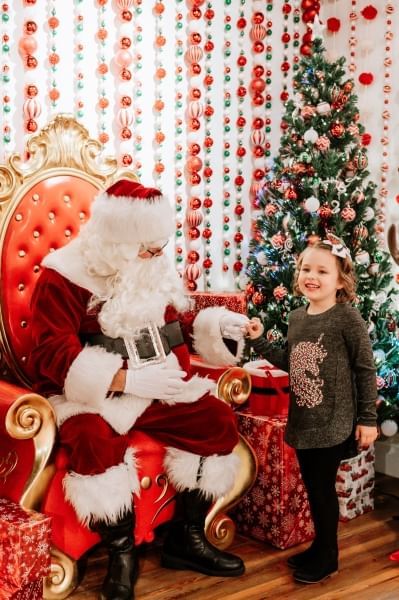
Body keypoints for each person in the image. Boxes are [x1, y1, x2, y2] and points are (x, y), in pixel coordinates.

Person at [27, 179, 250, 600]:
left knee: (216, 419)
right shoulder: (64, 274)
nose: (155, 256)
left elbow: (174, 327)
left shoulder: (148, 264)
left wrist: (220, 326)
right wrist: (123, 379)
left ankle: (186, 539)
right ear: (116, 240)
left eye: (159, 246)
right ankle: (121, 553)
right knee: (93, 440)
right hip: (88, 393)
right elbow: (50, 356)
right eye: (146, 248)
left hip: (155, 383)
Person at [245, 234, 378, 585]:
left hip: (333, 422)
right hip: (304, 420)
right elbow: (290, 361)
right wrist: (259, 338)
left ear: (340, 280)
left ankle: (328, 557)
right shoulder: (297, 318)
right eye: (306, 268)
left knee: (321, 490)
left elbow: (365, 369)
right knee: (313, 488)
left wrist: (368, 419)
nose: (311, 276)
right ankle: (320, 548)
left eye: (322, 270)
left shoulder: (346, 318)